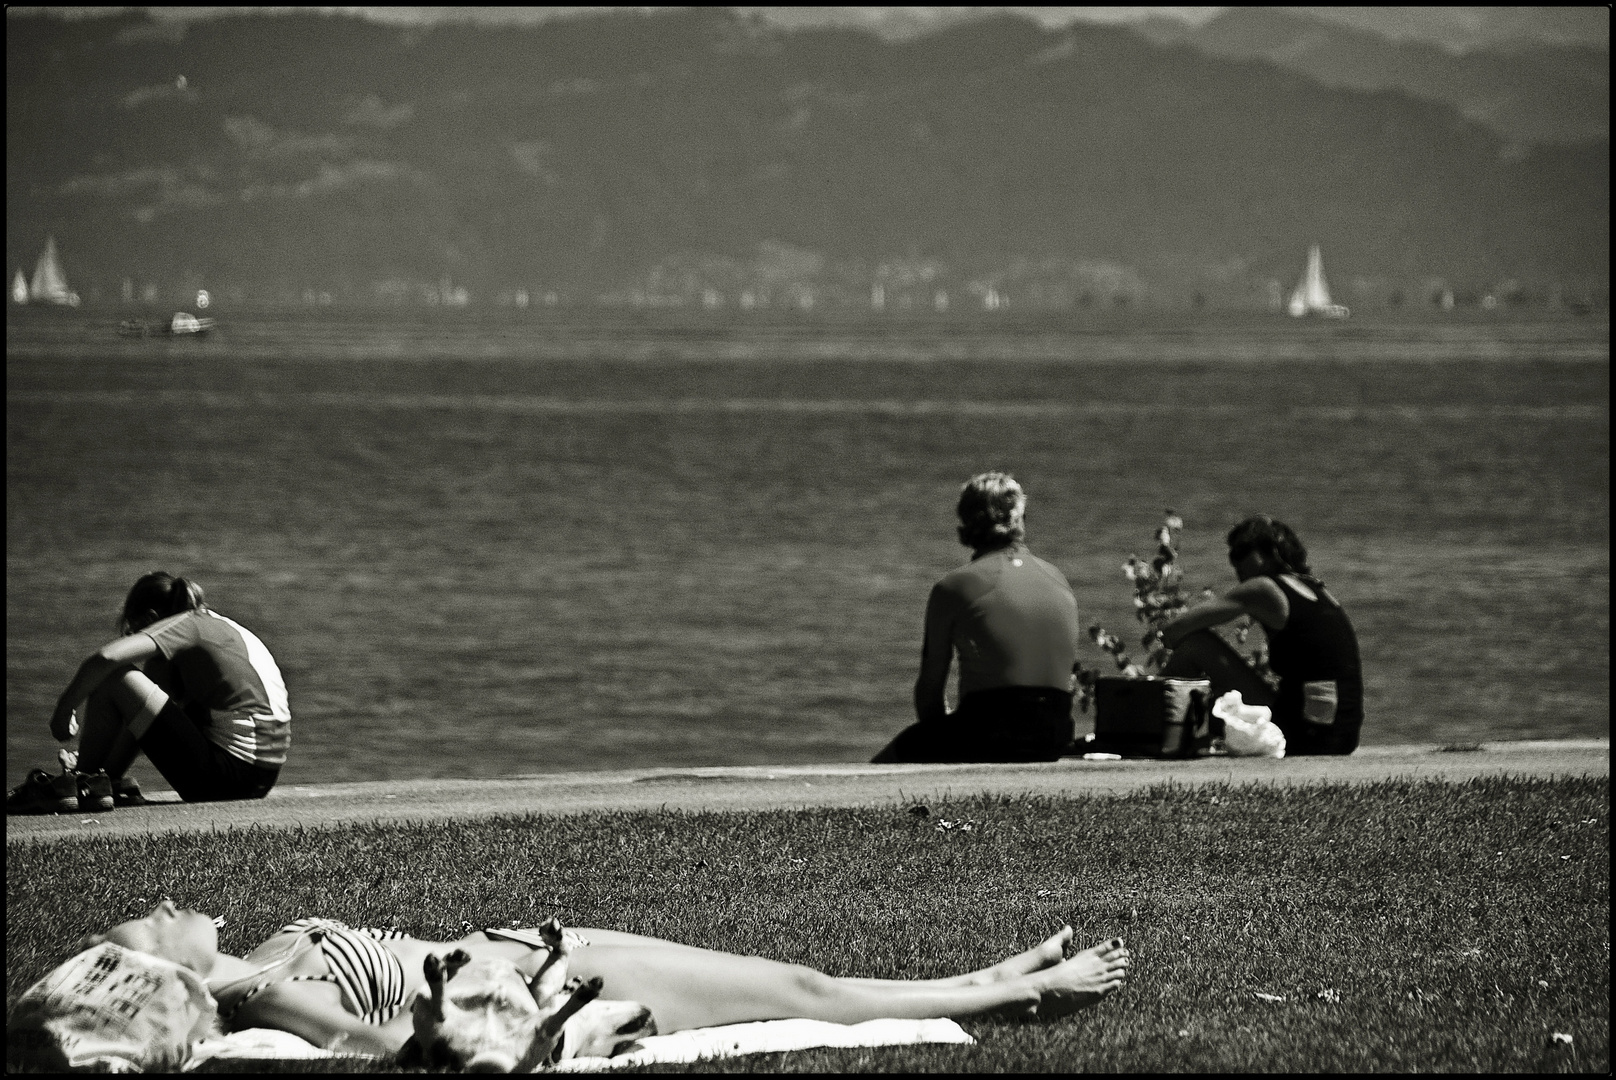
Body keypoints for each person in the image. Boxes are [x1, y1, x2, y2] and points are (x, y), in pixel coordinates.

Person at [60, 900, 1129, 1058]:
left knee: (799, 978)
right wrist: (552, 1031)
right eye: (153, 918)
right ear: (170, 973)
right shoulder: (257, 995)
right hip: (550, 978)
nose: (166, 900)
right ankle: (1013, 994)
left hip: (533, 941)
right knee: (799, 990)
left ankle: (987, 976)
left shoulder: (261, 961)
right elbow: (403, 1054)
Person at [6, 572, 291, 813]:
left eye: (133, 630)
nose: (134, 638)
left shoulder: (186, 625)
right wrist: (106, 774)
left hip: (228, 775)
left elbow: (105, 659)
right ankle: (90, 781)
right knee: (137, 683)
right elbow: (144, 723)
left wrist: (63, 710)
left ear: (152, 618)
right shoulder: (218, 626)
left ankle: (77, 783)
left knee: (113, 676)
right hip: (259, 779)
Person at [874, 472, 1081, 763]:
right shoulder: (1058, 579)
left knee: (891, 759)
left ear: (966, 521)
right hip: (1054, 735)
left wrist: (939, 737)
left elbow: (930, 693)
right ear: (1020, 519)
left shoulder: (954, 587)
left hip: (988, 732)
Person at [1157, 515, 1364, 755]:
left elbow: (1173, 631)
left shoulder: (1264, 588)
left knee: (1197, 644)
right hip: (1342, 735)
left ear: (1271, 552)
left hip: (1306, 734)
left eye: (1242, 552)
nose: (1236, 563)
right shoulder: (1319, 590)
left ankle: (1141, 726)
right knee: (1212, 702)